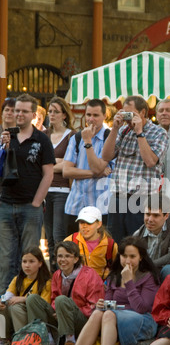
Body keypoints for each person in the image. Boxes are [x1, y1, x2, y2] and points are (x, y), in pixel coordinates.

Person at [62, 236, 160, 345]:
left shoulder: (148, 277)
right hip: (116, 316)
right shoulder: (115, 276)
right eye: (124, 256)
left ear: (141, 257)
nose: (127, 261)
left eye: (132, 256)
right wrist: (102, 304)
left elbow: (141, 308)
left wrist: (128, 282)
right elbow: (110, 302)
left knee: (108, 315)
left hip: (143, 321)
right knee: (97, 314)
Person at [0, 94, 55, 294]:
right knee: (6, 259)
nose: (19, 114)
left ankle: (25, 300)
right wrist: (2, 147)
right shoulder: (6, 136)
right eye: (17, 110)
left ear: (33, 114)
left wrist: (36, 203)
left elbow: (48, 174)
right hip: (5, 204)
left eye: (24, 111)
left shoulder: (41, 139)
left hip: (30, 207)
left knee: (30, 258)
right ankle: (4, 303)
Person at [102, 96, 168, 244]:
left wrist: (139, 133)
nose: (127, 118)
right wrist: (115, 129)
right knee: (116, 246)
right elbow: (106, 156)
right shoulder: (124, 130)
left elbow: (150, 161)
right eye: (125, 114)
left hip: (141, 200)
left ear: (143, 112)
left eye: (130, 114)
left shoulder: (158, 132)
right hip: (118, 198)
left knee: (138, 246)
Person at [26, 241, 105, 345]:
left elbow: (94, 307)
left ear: (76, 259)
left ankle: (70, 341)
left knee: (61, 300)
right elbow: (53, 298)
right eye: (60, 256)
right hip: (61, 315)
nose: (63, 259)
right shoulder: (57, 274)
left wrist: (66, 310)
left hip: (83, 321)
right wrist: (58, 310)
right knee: (32, 299)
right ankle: (46, 339)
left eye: (67, 256)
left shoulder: (90, 274)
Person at [63, 99, 114, 233]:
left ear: (104, 116)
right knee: (72, 249)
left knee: (99, 250)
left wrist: (88, 142)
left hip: (101, 207)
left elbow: (97, 167)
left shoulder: (110, 137)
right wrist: (94, 174)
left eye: (96, 115)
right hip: (75, 205)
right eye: (88, 115)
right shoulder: (76, 137)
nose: (91, 119)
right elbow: (66, 171)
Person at [44, 97, 76, 272]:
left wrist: (50, 165)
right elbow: (38, 164)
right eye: (50, 111)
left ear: (64, 114)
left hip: (62, 190)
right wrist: (58, 162)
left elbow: (70, 164)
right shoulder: (44, 135)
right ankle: (53, 276)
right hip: (44, 191)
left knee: (59, 236)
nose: (52, 115)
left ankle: (65, 274)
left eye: (56, 111)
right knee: (49, 238)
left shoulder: (71, 135)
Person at [0, 246, 51, 345]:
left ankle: (22, 341)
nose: (27, 265)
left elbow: (44, 303)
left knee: (15, 307)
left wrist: (23, 299)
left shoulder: (46, 282)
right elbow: (7, 296)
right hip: (17, 316)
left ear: (40, 263)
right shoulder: (18, 279)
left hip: (36, 317)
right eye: (24, 261)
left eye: (32, 261)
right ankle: (4, 340)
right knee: (2, 307)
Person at [134, 194, 170, 278]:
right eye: (147, 214)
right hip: (147, 273)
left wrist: (149, 266)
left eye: (156, 215)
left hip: (165, 272)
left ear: (166, 216)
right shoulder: (139, 233)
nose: (150, 219)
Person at [64, 206, 118, 280]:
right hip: (76, 286)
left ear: (99, 224)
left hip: (102, 287)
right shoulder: (70, 241)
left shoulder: (110, 245)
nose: (84, 226)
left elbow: (117, 269)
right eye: (81, 222)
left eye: (89, 223)